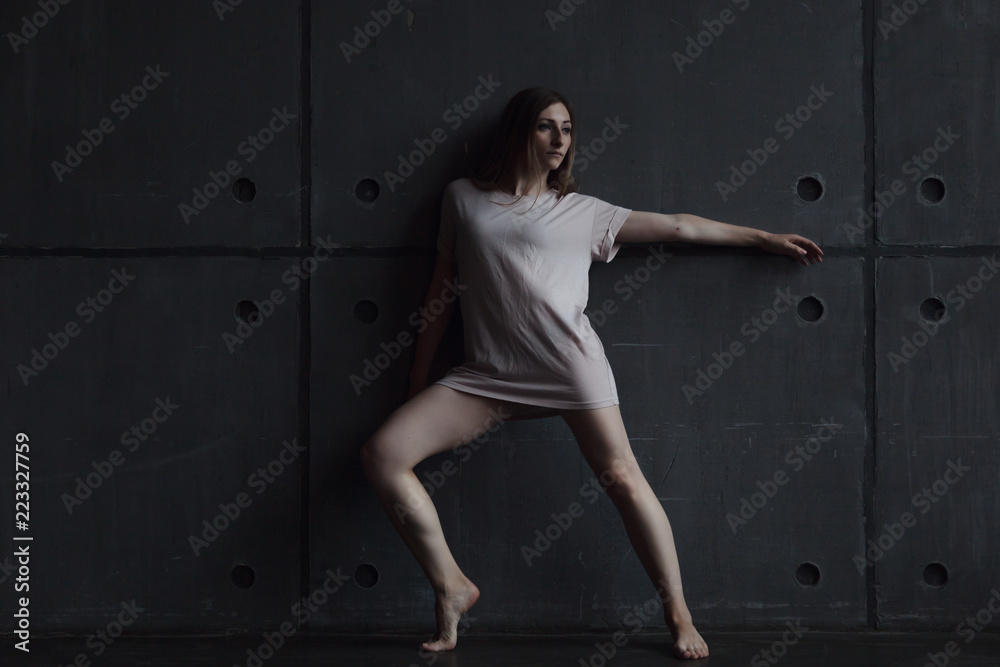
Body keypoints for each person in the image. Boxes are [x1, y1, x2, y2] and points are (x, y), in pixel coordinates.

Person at [360, 87, 823, 661]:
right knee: (382, 455)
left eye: (568, 130)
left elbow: (680, 227)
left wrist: (763, 239)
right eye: (546, 127)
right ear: (519, 132)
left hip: (568, 367)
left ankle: (677, 612)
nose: (560, 140)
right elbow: (439, 295)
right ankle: (452, 587)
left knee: (624, 478)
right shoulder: (463, 199)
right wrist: (416, 383)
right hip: (486, 375)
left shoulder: (583, 211)